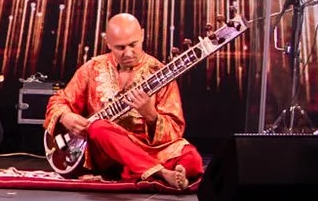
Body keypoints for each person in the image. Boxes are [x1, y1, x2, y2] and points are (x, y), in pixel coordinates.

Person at [45, 14, 204, 190]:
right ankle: (161, 173)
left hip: (144, 149)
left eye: (133, 45)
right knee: (98, 127)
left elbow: (175, 129)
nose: (128, 53)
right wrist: (65, 116)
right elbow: (59, 100)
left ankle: (149, 170)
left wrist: (150, 115)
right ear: (108, 43)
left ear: (142, 35)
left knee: (191, 156)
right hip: (105, 152)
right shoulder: (93, 68)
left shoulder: (160, 73)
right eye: (120, 48)